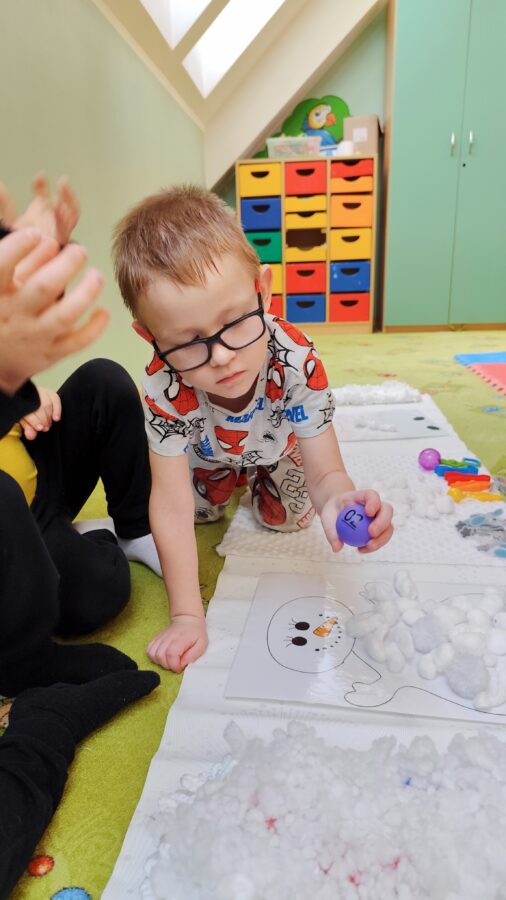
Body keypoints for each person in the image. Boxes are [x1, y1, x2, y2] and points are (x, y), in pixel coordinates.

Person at [112, 185, 394, 675]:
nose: (222, 357)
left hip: (282, 448)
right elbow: (171, 505)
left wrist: (338, 500)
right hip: (207, 453)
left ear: (263, 291)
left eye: (235, 322)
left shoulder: (298, 360)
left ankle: (260, 480)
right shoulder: (162, 384)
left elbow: (325, 472)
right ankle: (229, 479)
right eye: (188, 342)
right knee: (197, 516)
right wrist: (186, 616)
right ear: (151, 338)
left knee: (289, 519)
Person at [0, 185, 160, 897]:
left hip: (37, 479)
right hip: (13, 521)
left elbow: (17, 312)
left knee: (103, 381)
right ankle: (26, 664)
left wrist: (26, 393)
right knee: (99, 590)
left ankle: (133, 525)